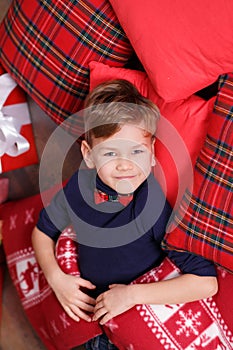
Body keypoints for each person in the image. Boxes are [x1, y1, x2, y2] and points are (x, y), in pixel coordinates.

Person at [32, 80, 218, 350]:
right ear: (89, 155)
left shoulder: (152, 208)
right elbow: (42, 231)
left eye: (136, 151)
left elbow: (206, 283)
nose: (125, 164)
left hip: (133, 317)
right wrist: (56, 278)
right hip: (91, 318)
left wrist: (131, 295)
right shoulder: (79, 186)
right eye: (110, 153)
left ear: (152, 153)